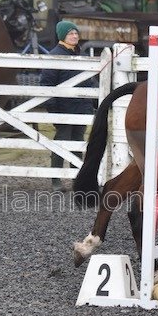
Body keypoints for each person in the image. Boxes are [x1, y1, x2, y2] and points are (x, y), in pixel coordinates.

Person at [40, 20, 95, 191]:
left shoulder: (83, 54)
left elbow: (89, 82)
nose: (75, 36)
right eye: (71, 33)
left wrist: (93, 103)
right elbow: (47, 84)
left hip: (82, 107)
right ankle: (56, 180)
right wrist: (52, 108)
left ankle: (75, 178)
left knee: (78, 141)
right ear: (63, 35)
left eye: (76, 33)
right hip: (63, 107)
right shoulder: (55, 55)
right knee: (61, 141)